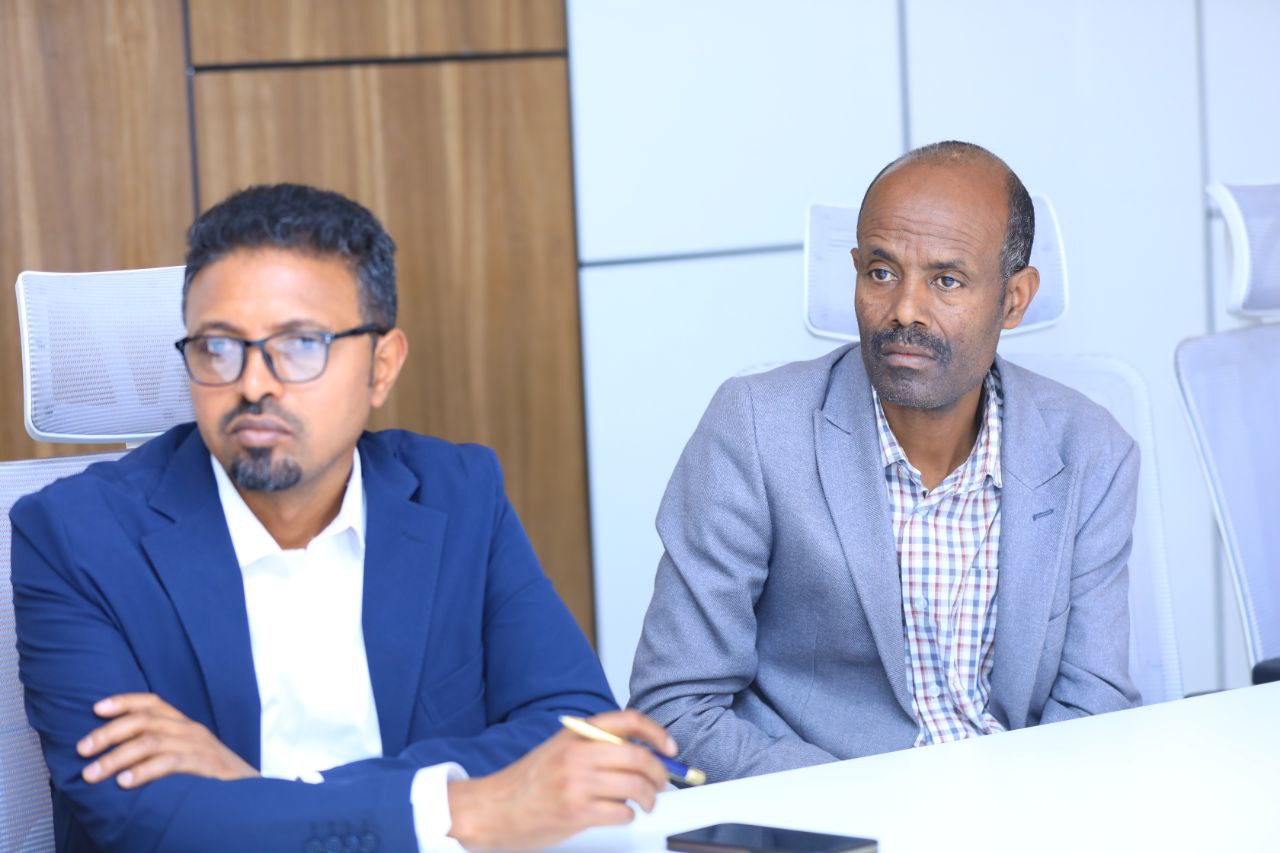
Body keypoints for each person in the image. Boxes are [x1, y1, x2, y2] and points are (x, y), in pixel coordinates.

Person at [12, 184, 673, 852]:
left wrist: (265, 793)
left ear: (382, 367)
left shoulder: (459, 494)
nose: (253, 384)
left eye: (301, 343)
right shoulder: (73, 537)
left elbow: (581, 732)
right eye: (217, 346)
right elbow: (139, 821)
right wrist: (460, 806)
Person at [629, 141, 1141, 782]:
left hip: (1019, 807)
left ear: (1014, 299)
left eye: (946, 281)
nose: (904, 310)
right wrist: (866, 808)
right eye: (880, 272)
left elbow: (1094, 707)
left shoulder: (1092, 452)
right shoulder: (755, 428)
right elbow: (675, 709)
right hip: (824, 810)